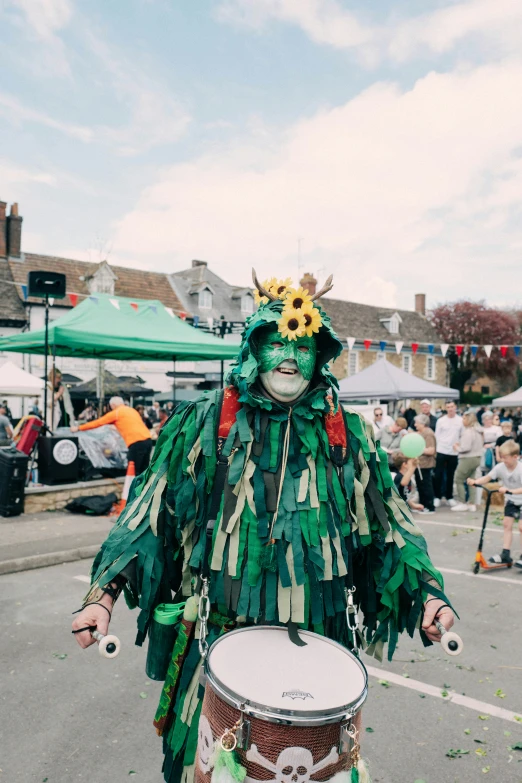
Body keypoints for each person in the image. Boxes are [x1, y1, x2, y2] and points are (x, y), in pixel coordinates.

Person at [71, 273, 455, 783]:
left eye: (302, 345)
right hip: (222, 630)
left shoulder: (351, 436)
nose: (290, 357)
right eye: (276, 343)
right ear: (253, 351)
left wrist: (428, 593)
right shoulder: (203, 423)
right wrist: (103, 595)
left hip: (322, 638)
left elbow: (391, 526)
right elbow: (148, 513)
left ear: (321, 357)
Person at [468, 440, 522, 568]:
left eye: (506, 458)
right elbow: (488, 478)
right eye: (502, 458)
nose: (503, 460)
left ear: (516, 457)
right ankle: (505, 554)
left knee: (521, 527)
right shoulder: (500, 467)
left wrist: (510, 491)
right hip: (511, 500)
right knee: (506, 525)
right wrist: (476, 482)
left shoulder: (520, 469)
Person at [71, 396, 153, 475]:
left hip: (136, 442)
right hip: (148, 439)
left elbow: (98, 422)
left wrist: (79, 428)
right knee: (144, 470)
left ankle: (134, 488)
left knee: (134, 470)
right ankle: (146, 488)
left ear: (113, 405)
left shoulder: (116, 413)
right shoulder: (131, 410)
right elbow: (131, 424)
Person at [451, 412, 483, 512]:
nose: (462, 420)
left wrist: (457, 447)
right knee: (471, 480)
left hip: (467, 458)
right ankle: (471, 503)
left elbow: (465, 447)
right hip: (477, 457)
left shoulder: (468, 432)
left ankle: (462, 502)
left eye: (464, 419)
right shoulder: (479, 431)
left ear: (469, 420)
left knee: (458, 478)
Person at [433, 400, 462, 507]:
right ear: (446, 408)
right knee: (438, 475)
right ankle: (437, 496)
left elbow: (461, 435)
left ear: (455, 407)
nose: (450, 409)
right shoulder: (441, 421)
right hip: (441, 450)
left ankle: (449, 496)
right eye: (448, 407)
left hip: (454, 452)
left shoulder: (460, 420)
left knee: (451, 475)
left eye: (452, 406)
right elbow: (437, 436)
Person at [413, 414, 436, 514]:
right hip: (419, 464)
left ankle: (429, 506)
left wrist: (418, 449)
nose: (415, 425)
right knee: (421, 485)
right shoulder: (421, 432)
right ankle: (422, 505)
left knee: (426, 485)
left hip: (426, 464)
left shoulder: (428, 433)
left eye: (417, 423)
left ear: (423, 423)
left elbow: (431, 450)